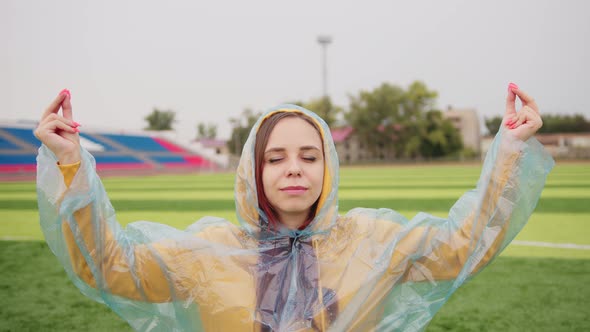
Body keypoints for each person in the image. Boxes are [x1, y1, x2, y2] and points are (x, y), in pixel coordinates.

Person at [35, 83, 554, 331]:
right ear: (252, 172)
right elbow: (108, 267)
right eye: (275, 158)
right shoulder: (210, 253)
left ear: (328, 167)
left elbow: (464, 245)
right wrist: (71, 166)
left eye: (310, 156)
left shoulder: (371, 242)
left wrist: (508, 151)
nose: (294, 169)